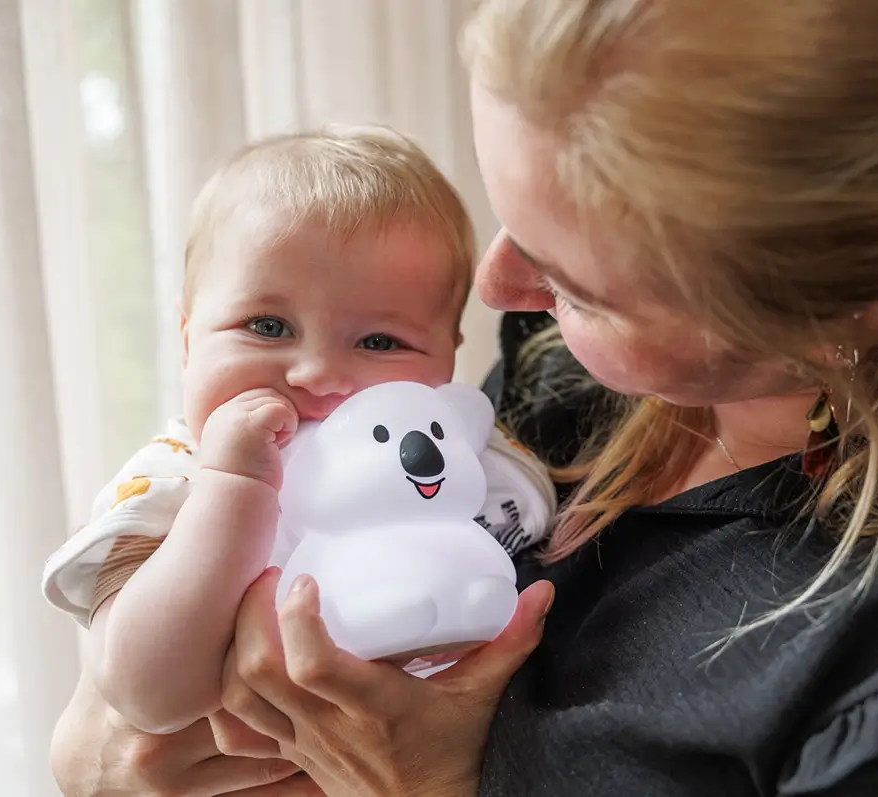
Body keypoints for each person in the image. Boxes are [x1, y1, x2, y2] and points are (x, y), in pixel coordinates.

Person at [50, 1, 878, 795]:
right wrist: (97, 757)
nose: (496, 286)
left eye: (578, 283)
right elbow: (115, 729)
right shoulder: (554, 378)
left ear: (829, 316)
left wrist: (431, 784)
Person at [41, 123, 555, 735]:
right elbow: (148, 694)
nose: (316, 375)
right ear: (187, 342)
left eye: (378, 341)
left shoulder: (472, 464)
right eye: (266, 326)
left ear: (447, 358)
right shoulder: (172, 482)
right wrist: (234, 488)